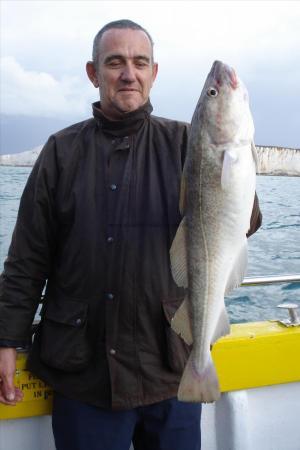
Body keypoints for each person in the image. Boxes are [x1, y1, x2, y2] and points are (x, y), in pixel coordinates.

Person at [0, 19, 262, 450]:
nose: (129, 73)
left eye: (140, 62)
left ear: (154, 73)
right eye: (115, 62)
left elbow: (243, 224)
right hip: (84, 375)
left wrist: (234, 166)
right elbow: (27, 257)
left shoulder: (187, 141)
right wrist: (8, 338)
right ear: (94, 72)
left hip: (169, 366)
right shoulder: (60, 152)